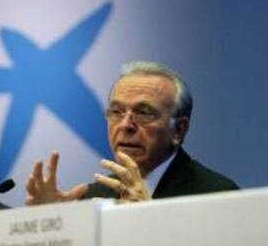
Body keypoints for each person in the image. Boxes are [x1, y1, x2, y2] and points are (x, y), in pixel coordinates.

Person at [26, 61, 239, 205]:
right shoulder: (94, 197)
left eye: (144, 113)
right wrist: (53, 225)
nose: (126, 125)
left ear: (179, 130)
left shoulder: (218, 195)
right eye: (117, 111)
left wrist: (147, 218)